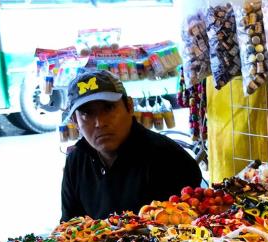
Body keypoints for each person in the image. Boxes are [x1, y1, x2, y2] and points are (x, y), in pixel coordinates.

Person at [60, 69, 203, 221]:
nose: (99, 123)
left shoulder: (169, 158)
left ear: (129, 106)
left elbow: (186, 232)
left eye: (108, 108)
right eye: (86, 113)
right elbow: (69, 227)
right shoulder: (76, 161)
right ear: (75, 122)